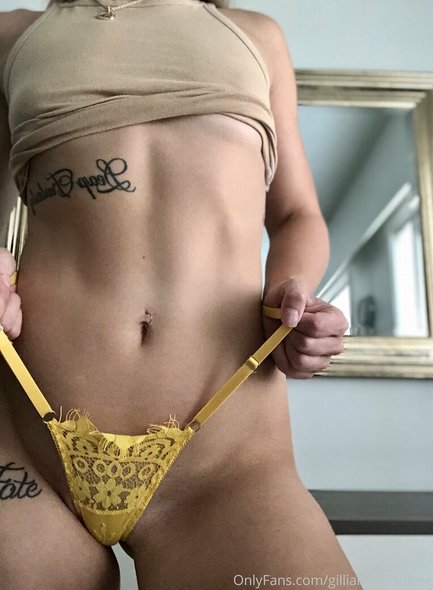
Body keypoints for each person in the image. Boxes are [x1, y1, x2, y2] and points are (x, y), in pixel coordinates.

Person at [0, 1, 362, 588]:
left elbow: (297, 214)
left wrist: (289, 298)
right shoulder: (14, 34)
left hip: (227, 460)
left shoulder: (253, 35)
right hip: (25, 438)